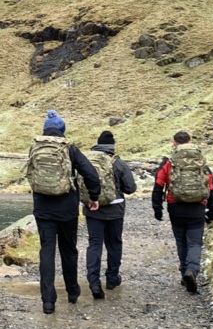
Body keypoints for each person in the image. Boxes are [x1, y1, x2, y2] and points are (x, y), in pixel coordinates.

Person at [27, 110, 101, 314]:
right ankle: (72, 292)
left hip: (42, 209)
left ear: (44, 129)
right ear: (62, 130)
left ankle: (48, 301)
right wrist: (93, 197)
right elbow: (91, 174)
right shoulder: (70, 150)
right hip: (67, 210)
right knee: (68, 250)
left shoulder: (35, 148)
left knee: (47, 251)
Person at [151, 130, 213, 293]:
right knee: (195, 242)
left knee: (181, 241)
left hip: (176, 207)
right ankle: (192, 270)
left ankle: (184, 274)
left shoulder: (169, 162)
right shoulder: (200, 162)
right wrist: (212, 210)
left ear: (174, 143)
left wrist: (157, 208)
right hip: (197, 206)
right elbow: (211, 186)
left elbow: (158, 185)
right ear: (190, 142)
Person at [83, 130, 137, 299]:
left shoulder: (88, 161)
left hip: (93, 209)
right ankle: (112, 278)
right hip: (115, 210)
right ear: (112, 146)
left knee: (95, 244)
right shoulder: (118, 162)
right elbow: (130, 188)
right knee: (114, 243)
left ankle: (93, 280)